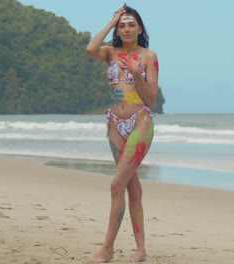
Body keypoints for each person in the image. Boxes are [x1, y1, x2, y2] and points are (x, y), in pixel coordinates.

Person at [86, 3, 159, 263]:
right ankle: (140, 251)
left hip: (140, 122)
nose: (126, 28)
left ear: (139, 28)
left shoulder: (149, 57)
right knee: (132, 187)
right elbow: (90, 49)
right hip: (115, 124)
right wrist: (109, 22)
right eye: (122, 25)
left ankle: (106, 249)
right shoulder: (110, 53)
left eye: (131, 24)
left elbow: (150, 99)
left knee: (117, 184)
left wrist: (135, 73)